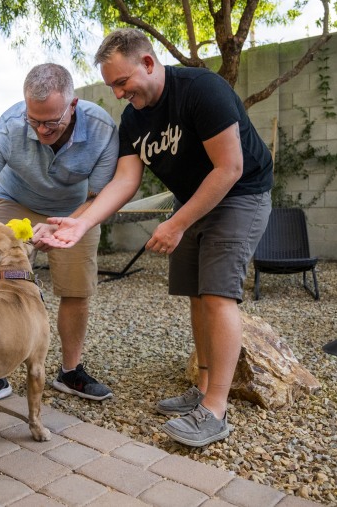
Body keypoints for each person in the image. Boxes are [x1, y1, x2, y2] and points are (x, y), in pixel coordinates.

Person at [43, 29, 273, 446]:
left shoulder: (202, 90)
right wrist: (82, 222)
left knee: (218, 293)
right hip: (194, 201)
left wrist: (177, 223)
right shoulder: (134, 118)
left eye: (121, 82)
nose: (116, 93)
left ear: (148, 63)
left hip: (240, 195)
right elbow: (125, 181)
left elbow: (230, 168)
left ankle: (215, 410)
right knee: (196, 294)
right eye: (112, 85)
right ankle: (202, 389)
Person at [0, 63, 118, 402]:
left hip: (75, 209)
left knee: (76, 287)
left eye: (51, 121)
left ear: (73, 105)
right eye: (34, 121)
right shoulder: (10, 126)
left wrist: (66, 224)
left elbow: (98, 197)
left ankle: (69, 372)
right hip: (14, 199)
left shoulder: (101, 129)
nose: (42, 130)